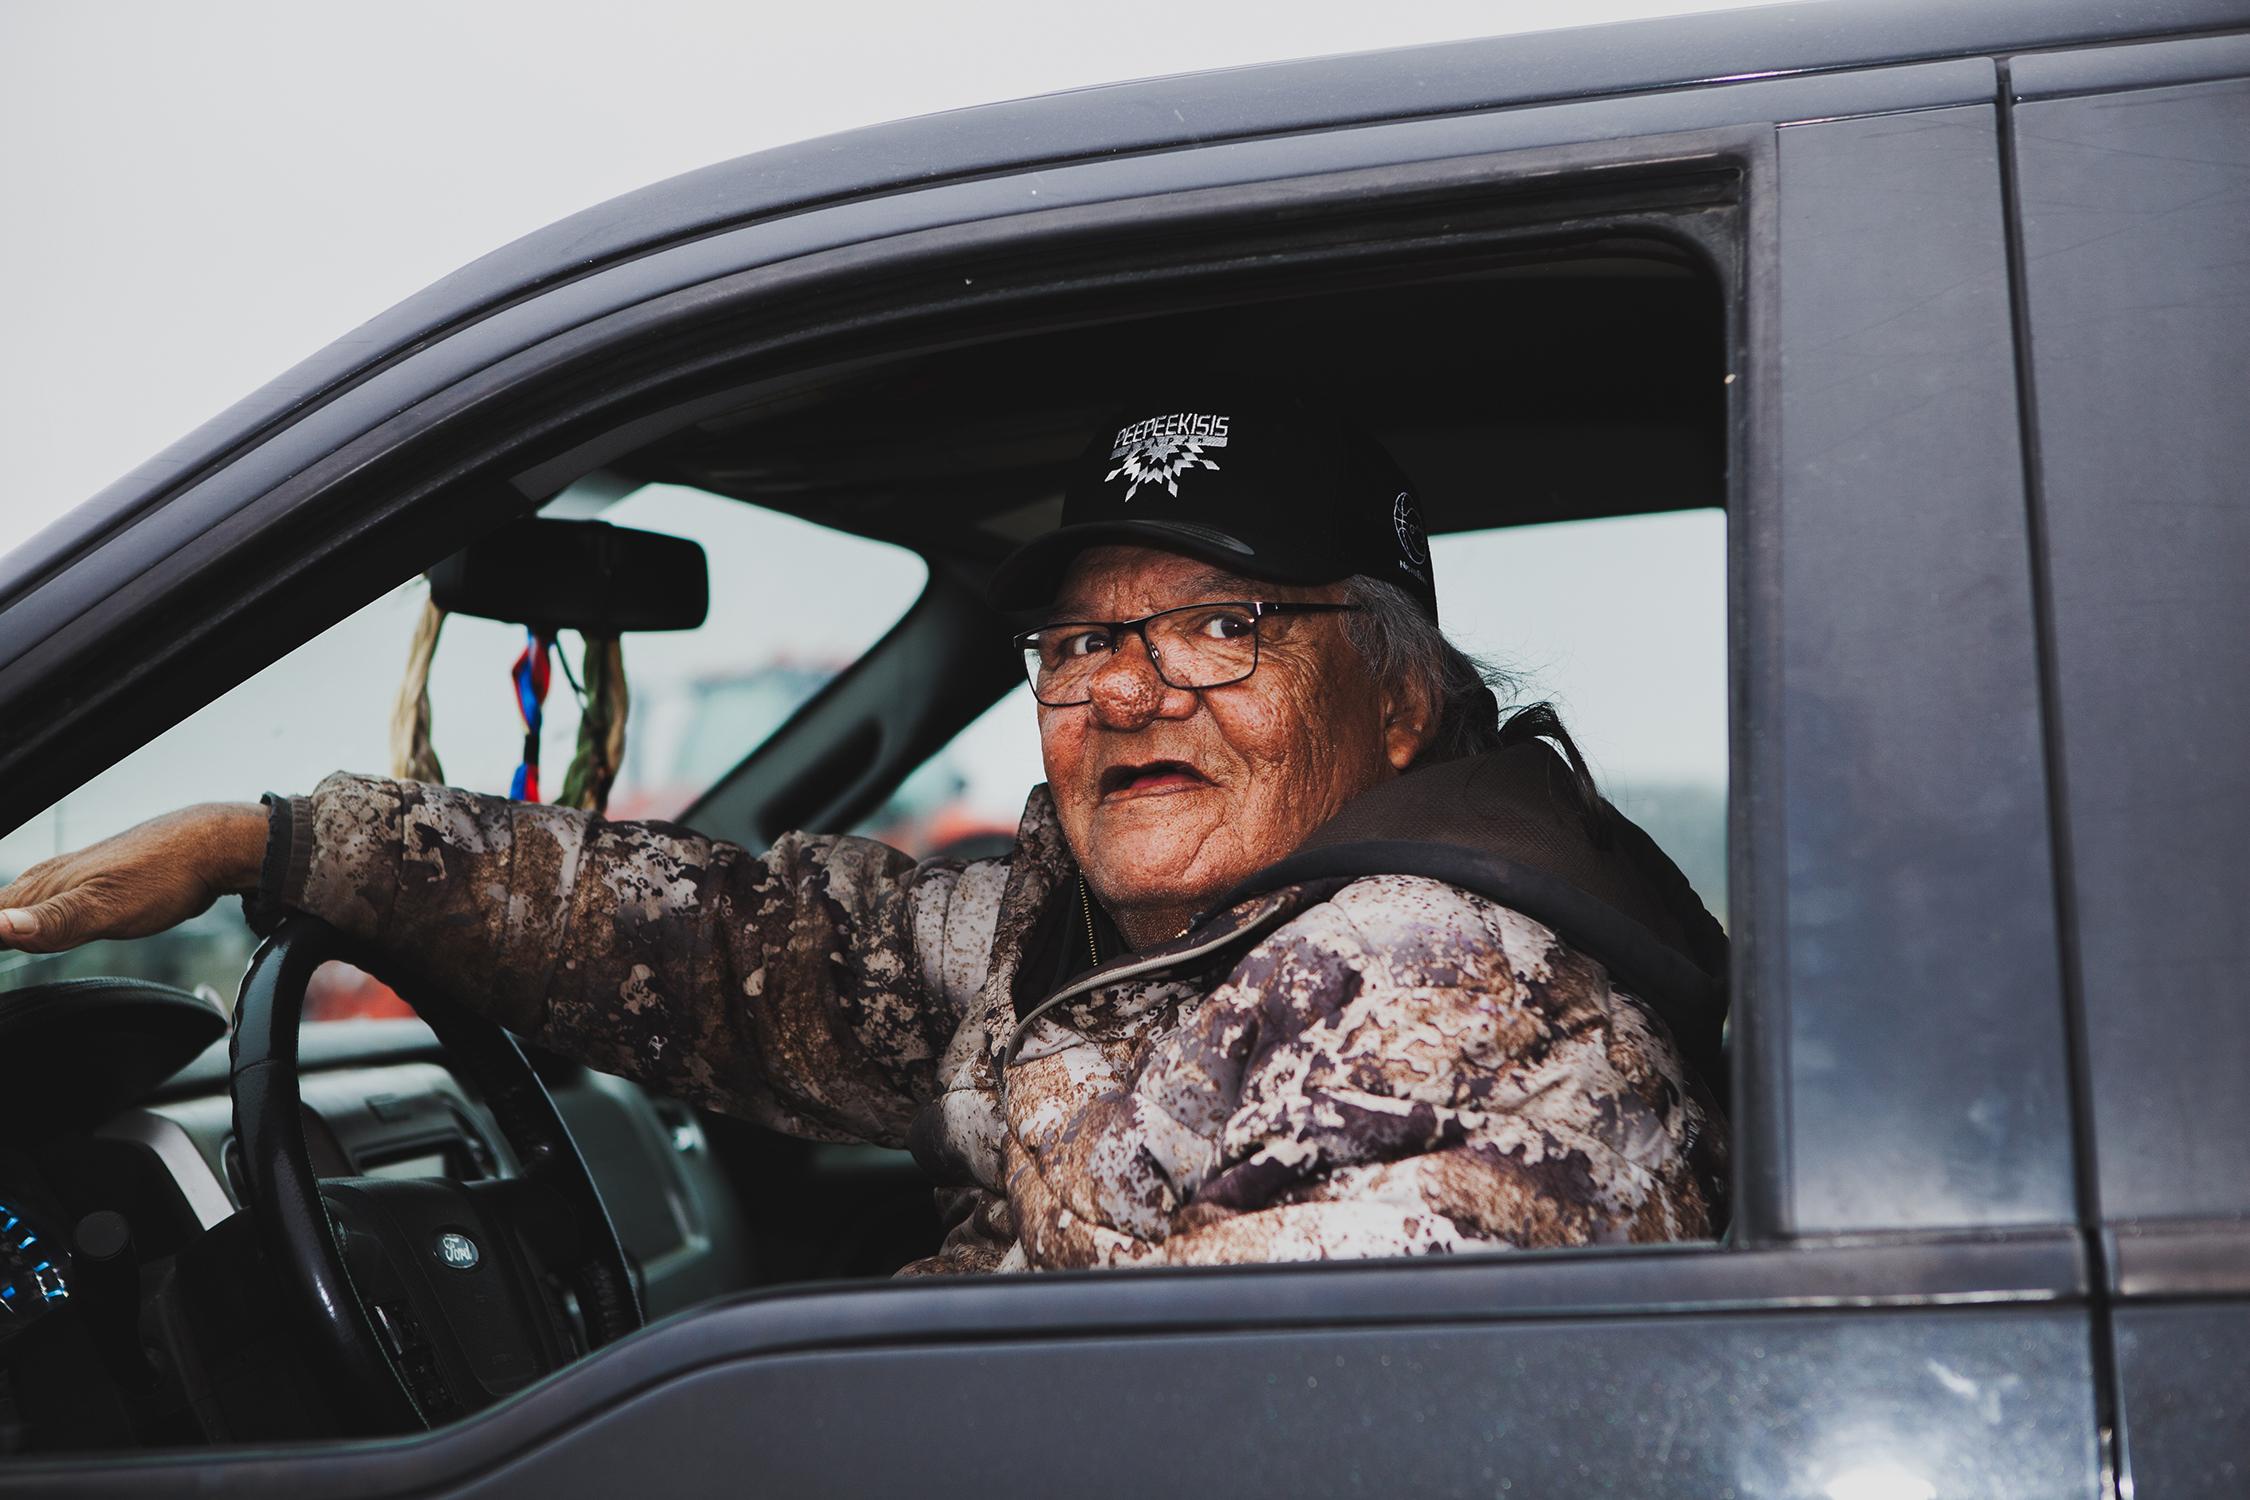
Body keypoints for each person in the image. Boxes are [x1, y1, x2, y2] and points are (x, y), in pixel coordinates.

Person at [0, 398, 1729, 1273]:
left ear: (1402, 701)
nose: (1131, 691)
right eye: (1080, 643)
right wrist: (286, 847)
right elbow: (748, 948)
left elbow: (1185, 1421)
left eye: (1226, 628)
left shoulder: (1438, 998)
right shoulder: (1110, 929)